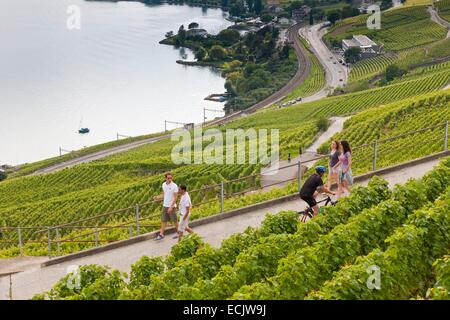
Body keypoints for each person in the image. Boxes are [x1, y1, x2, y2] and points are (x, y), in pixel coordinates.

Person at [154, 172, 179, 241]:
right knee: (163, 220)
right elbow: (164, 194)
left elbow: (175, 197)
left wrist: (171, 207)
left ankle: (179, 233)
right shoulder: (163, 185)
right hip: (165, 205)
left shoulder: (174, 186)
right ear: (165, 178)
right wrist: (158, 197)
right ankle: (161, 234)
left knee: (175, 220)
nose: (170, 179)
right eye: (168, 178)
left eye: (171, 178)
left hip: (172, 206)